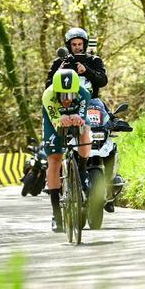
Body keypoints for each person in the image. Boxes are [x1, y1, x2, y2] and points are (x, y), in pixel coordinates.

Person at [41, 69, 93, 232]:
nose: (67, 100)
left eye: (70, 95)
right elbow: (55, 120)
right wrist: (59, 119)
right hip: (54, 121)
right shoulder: (48, 96)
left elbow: (83, 117)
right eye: (63, 96)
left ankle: (82, 169)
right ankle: (57, 215)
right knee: (55, 160)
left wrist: (79, 119)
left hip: (76, 117)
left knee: (85, 130)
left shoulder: (84, 94)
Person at [47, 27, 107, 93]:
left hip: (91, 100)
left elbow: (103, 81)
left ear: (84, 45)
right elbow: (48, 86)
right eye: (74, 44)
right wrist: (59, 72)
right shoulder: (60, 62)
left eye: (80, 44)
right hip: (64, 100)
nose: (77, 47)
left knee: (99, 104)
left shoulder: (94, 60)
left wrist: (86, 71)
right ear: (69, 46)